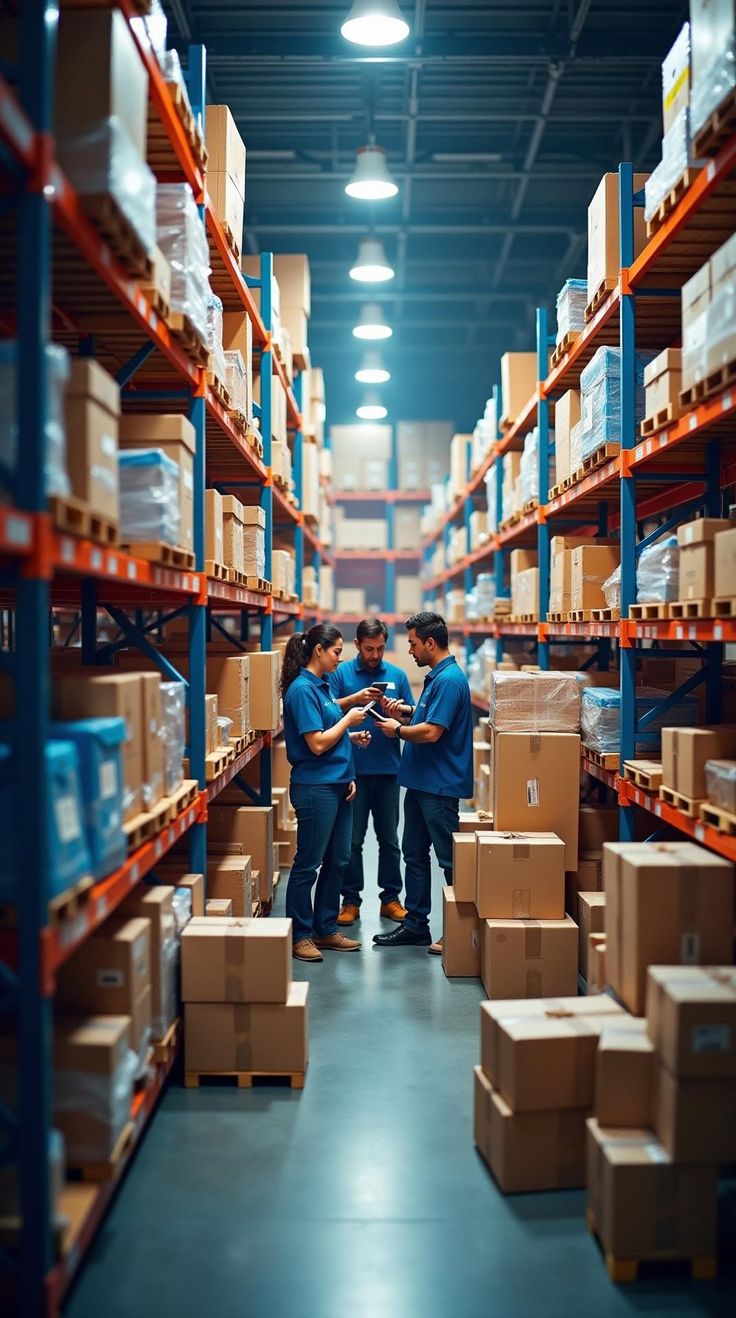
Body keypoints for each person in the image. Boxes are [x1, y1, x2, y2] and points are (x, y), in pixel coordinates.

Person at [372, 611, 473, 953]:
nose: (410, 651)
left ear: (431, 643)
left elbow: (432, 732)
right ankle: (416, 926)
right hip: (420, 783)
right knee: (414, 856)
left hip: (439, 787)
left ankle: (458, 933)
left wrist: (396, 730)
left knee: (449, 862)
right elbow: (425, 718)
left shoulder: (448, 680)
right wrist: (405, 712)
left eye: (413, 644)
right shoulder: (436, 677)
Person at [281, 624, 371, 962]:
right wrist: (348, 722)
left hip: (337, 784)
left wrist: (349, 746)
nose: (340, 658)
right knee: (309, 863)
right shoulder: (302, 690)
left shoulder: (322, 687)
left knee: (339, 859)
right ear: (318, 651)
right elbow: (316, 743)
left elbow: (327, 736)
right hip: (315, 788)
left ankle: (325, 928)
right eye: (336, 651)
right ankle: (300, 934)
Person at [329, 617, 415, 926]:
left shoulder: (398, 675)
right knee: (352, 842)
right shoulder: (340, 673)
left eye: (380, 648)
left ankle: (390, 899)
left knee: (390, 840)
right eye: (369, 649)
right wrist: (355, 700)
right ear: (357, 645)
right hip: (352, 772)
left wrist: (398, 715)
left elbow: (411, 721)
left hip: (389, 772)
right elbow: (328, 710)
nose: (375, 655)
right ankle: (350, 900)